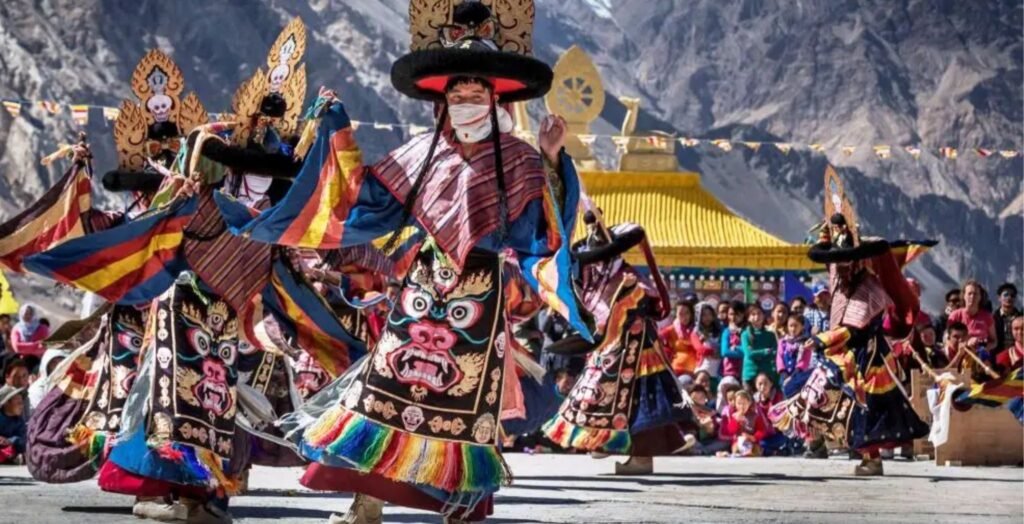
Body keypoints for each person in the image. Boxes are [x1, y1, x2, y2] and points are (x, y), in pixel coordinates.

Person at [220, 4, 591, 521]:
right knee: (384, 393)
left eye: (475, 95)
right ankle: (366, 501)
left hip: (478, 301)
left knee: (463, 406)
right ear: (442, 101)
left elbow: (543, 234)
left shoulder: (523, 160)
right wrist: (335, 130)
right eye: (456, 95)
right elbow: (359, 202)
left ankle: (463, 501)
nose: (464, 102)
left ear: (495, 98)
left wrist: (553, 157)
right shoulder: (420, 153)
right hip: (420, 290)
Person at [783, 196, 929, 476]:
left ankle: (871, 458)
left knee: (864, 407)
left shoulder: (871, 289)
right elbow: (829, 266)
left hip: (866, 356)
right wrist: (831, 230)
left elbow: (854, 328)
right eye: (838, 264)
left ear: (859, 262)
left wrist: (822, 340)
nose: (839, 268)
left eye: (845, 263)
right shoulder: (841, 283)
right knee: (813, 392)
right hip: (844, 351)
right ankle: (823, 442)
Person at [544, 216, 689, 476]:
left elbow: (644, 303)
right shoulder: (602, 280)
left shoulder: (628, 278)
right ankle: (605, 440)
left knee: (639, 402)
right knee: (601, 396)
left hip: (636, 353)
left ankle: (641, 458)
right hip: (611, 352)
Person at [947, 280, 997, 357]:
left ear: (980, 297)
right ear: (964, 296)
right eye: (969, 293)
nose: (972, 297)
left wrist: (984, 348)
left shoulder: (987, 317)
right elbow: (948, 339)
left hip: (981, 357)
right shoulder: (955, 316)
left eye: (975, 294)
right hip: (960, 356)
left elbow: (994, 341)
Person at [718, 390, 767, 457]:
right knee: (736, 449)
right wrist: (736, 421)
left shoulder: (755, 416)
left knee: (756, 449)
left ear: (749, 403)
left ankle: (749, 453)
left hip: (752, 442)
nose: (742, 406)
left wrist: (753, 437)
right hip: (738, 442)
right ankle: (739, 453)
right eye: (739, 403)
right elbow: (731, 431)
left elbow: (762, 430)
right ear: (735, 404)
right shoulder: (734, 416)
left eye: (744, 403)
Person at [740, 306, 778, 390]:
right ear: (748, 318)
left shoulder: (770, 335)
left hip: (767, 374)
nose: (756, 317)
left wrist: (756, 352)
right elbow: (749, 354)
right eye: (753, 314)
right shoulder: (745, 334)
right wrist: (765, 351)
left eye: (759, 313)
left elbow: (774, 353)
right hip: (750, 374)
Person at [660, 302, 698, 376]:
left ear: (691, 314)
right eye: (681, 313)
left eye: (687, 313)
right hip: (677, 369)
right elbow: (658, 340)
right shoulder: (670, 330)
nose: (684, 316)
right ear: (676, 315)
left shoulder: (697, 329)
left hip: (696, 370)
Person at [10, 304, 49, 370]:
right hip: (20, 361)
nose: (28, 316)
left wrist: (25, 348)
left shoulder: (42, 329)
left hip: (39, 361)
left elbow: (43, 347)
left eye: (30, 314)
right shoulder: (17, 328)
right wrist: (36, 345)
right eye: (25, 313)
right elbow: (17, 347)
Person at [692, 302, 722, 378]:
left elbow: (723, 346)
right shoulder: (696, 332)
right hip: (704, 366)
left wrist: (720, 352)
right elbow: (699, 349)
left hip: (719, 367)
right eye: (704, 315)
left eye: (709, 314)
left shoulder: (720, 330)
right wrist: (713, 352)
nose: (707, 317)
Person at [719, 301, 747, 379]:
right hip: (730, 371)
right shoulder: (726, 331)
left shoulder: (747, 331)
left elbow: (749, 351)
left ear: (743, 314)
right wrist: (743, 352)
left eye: (737, 314)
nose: (733, 317)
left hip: (746, 370)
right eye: (731, 314)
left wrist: (735, 347)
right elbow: (724, 352)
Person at [0, 385, 26, 464]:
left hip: (11, 449)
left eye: (22, 402)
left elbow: (23, 439)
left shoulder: (19, 421)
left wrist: (10, 441)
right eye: (18, 402)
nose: (21, 405)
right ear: (6, 403)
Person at [994, 283, 1021, 355]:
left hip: (1019, 357)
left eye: (1012, 295)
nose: (1009, 298)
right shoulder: (993, 319)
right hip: (998, 358)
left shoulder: (1021, 318)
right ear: (999, 298)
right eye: (1006, 295)